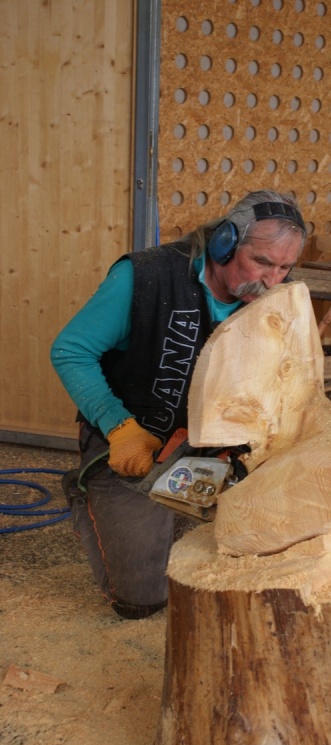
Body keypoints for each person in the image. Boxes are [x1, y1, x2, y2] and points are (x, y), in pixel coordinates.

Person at [51, 189, 307, 619]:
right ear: (225, 242)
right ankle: (88, 488)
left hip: (212, 446)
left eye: (284, 268)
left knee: (223, 570)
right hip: (137, 443)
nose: (272, 281)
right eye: (262, 262)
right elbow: (70, 351)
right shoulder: (145, 277)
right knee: (143, 599)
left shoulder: (273, 298)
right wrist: (118, 426)